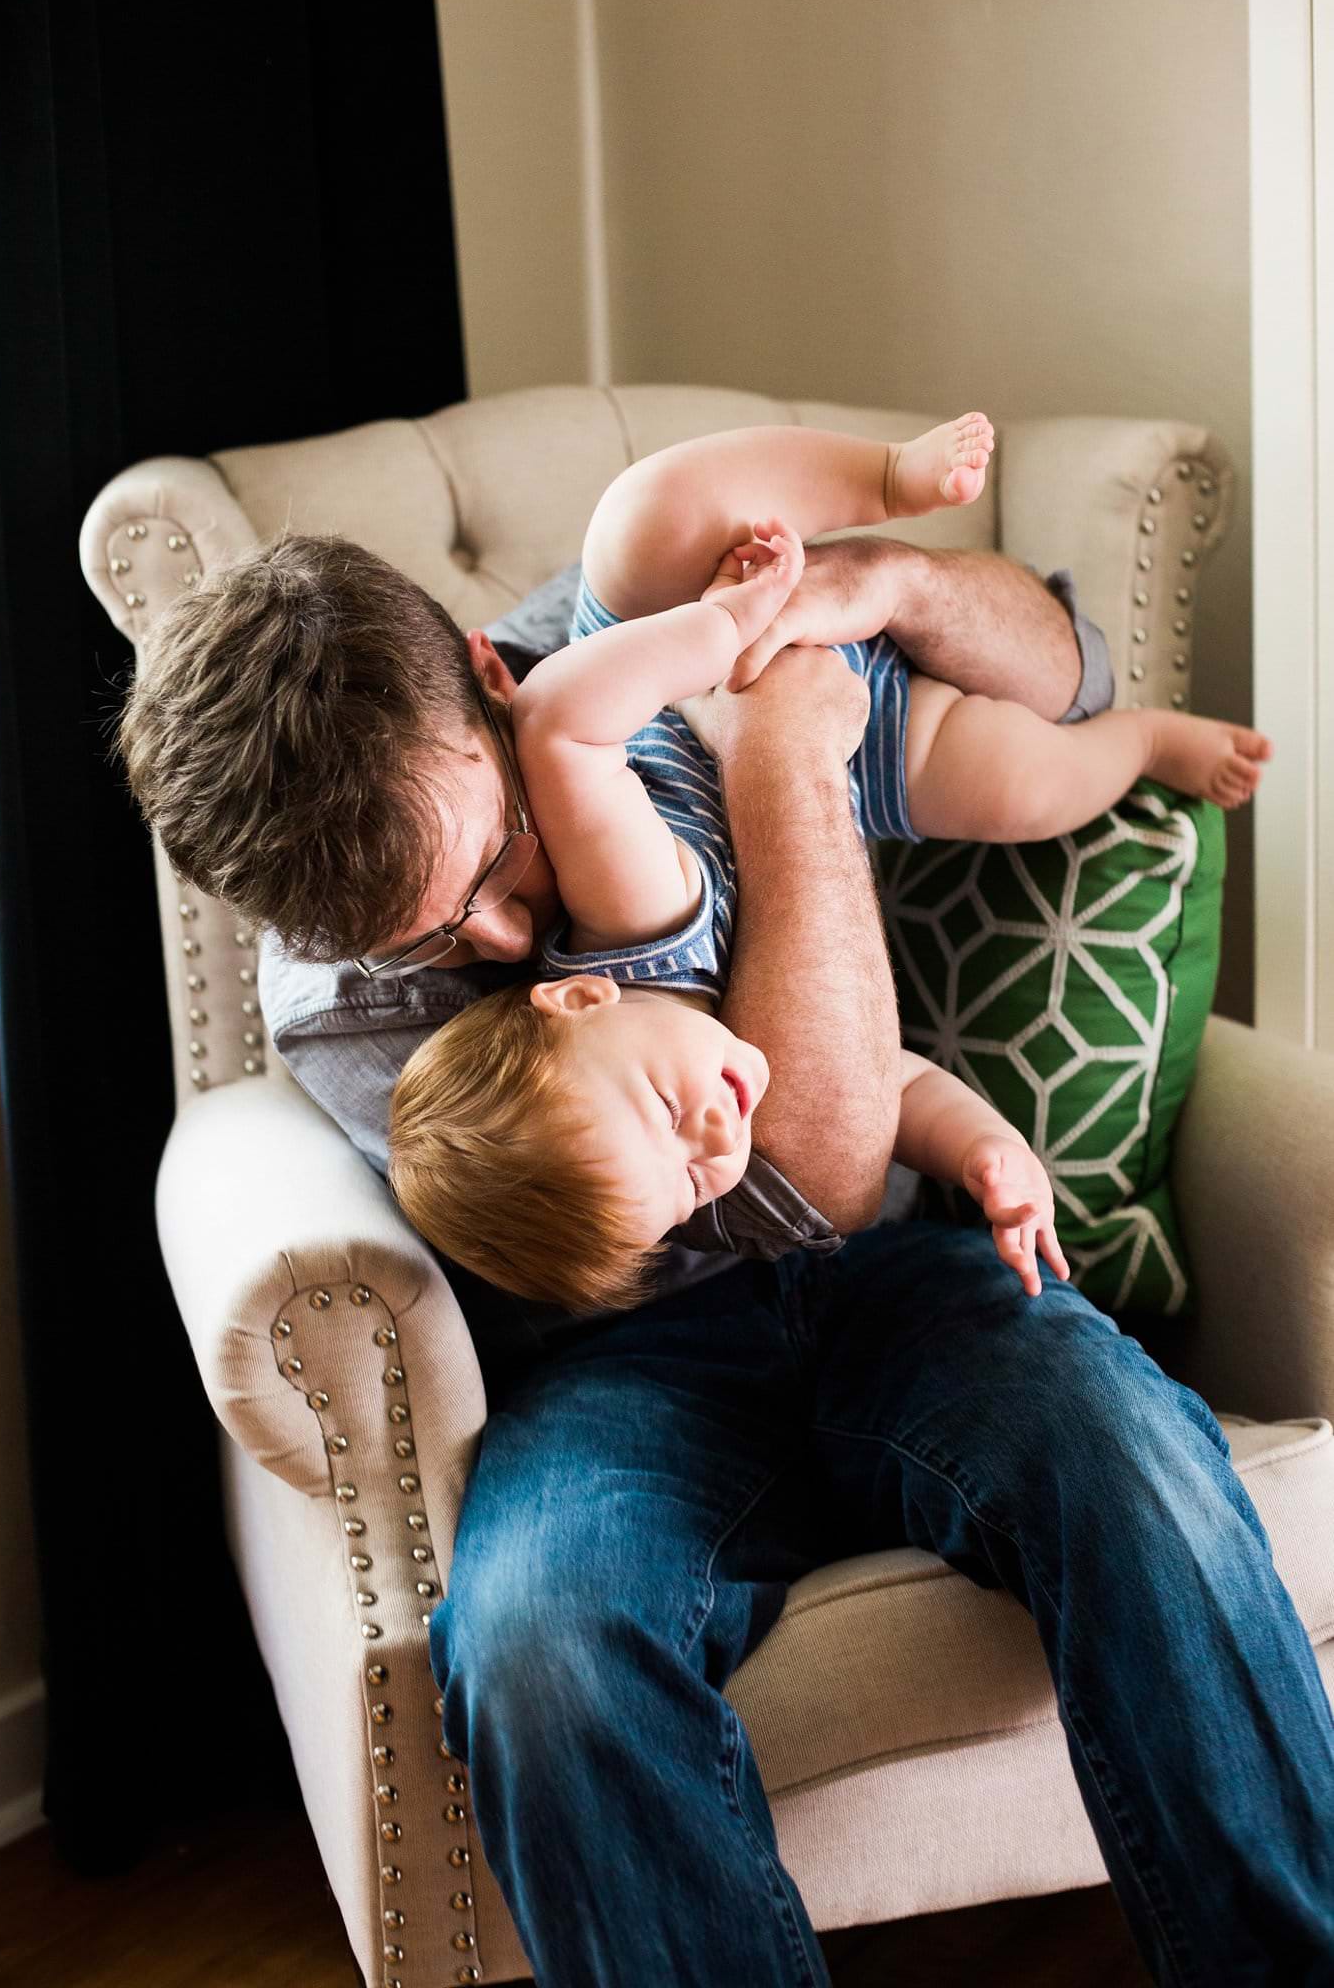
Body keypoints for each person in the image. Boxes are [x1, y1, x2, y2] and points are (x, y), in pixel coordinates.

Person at [116, 498, 1334, 1985]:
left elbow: (1067, 676)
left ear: (503, 685)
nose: (499, 949)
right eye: (425, 941)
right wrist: (781, 768)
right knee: (536, 1654)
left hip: (901, 1281)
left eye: (495, 858)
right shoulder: (335, 991)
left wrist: (887, 580)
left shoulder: (626, 635)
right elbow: (798, 1177)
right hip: (614, 1361)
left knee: (1131, 1456)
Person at [388, 422, 1267, 1310]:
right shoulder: (714, 1073)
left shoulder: (631, 925)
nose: (717, 1138)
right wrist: (984, 1151)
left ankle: (886, 474)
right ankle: (1147, 739)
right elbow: (889, 1083)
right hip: (861, 749)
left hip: (700, 668)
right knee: (1027, 790)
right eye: (693, 1185)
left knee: (647, 516)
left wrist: (723, 625)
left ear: (579, 997)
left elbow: (561, 724)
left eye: (663, 1114)